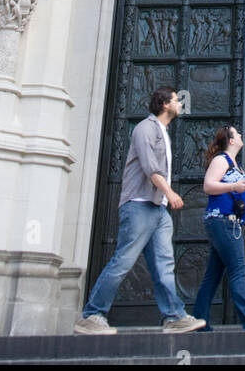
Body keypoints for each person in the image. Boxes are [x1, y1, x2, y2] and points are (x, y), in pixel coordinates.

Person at [74, 86, 204, 335]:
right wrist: (170, 192)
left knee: (164, 265)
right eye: (177, 100)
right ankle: (92, 315)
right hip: (139, 205)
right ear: (165, 104)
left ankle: (174, 316)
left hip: (157, 209)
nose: (180, 104)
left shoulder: (163, 132)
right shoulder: (145, 128)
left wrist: (164, 199)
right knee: (123, 261)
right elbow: (149, 166)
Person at [192, 125, 245, 331]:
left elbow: (241, 192)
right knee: (238, 271)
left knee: (213, 275)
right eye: (237, 133)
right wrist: (234, 187)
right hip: (224, 222)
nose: (240, 135)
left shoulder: (235, 165)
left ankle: (199, 321)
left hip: (226, 223)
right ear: (230, 141)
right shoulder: (221, 160)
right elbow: (209, 185)